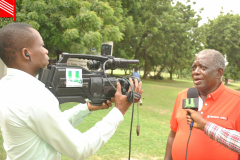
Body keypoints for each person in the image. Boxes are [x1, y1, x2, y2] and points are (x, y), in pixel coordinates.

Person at [0, 23, 143, 160]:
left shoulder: (7, 86)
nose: (46, 50)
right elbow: (80, 148)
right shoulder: (35, 96)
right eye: (42, 46)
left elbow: (50, 124)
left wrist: (86, 108)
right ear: (26, 54)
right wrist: (118, 112)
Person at [164, 49, 240, 160]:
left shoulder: (237, 101)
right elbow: (172, 135)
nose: (196, 72)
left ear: (219, 73)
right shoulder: (182, 95)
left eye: (203, 68)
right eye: (194, 67)